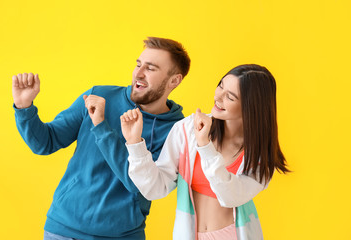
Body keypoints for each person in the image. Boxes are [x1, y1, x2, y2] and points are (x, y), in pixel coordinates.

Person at [12, 37, 191, 240]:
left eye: (151, 68)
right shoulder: (98, 95)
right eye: (138, 64)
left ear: (174, 80)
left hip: (122, 236)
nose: (138, 74)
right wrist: (24, 107)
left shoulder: (178, 130)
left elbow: (142, 185)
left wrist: (101, 127)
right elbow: (46, 142)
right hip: (62, 230)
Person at [120, 64, 290, 240]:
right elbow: (156, 188)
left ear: (250, 107)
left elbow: (230, 197)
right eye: (221, 86)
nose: (218, 97)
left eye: (230, 97)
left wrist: (205, 147)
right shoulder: (188, 129)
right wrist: (135, 143)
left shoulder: (259, 155)